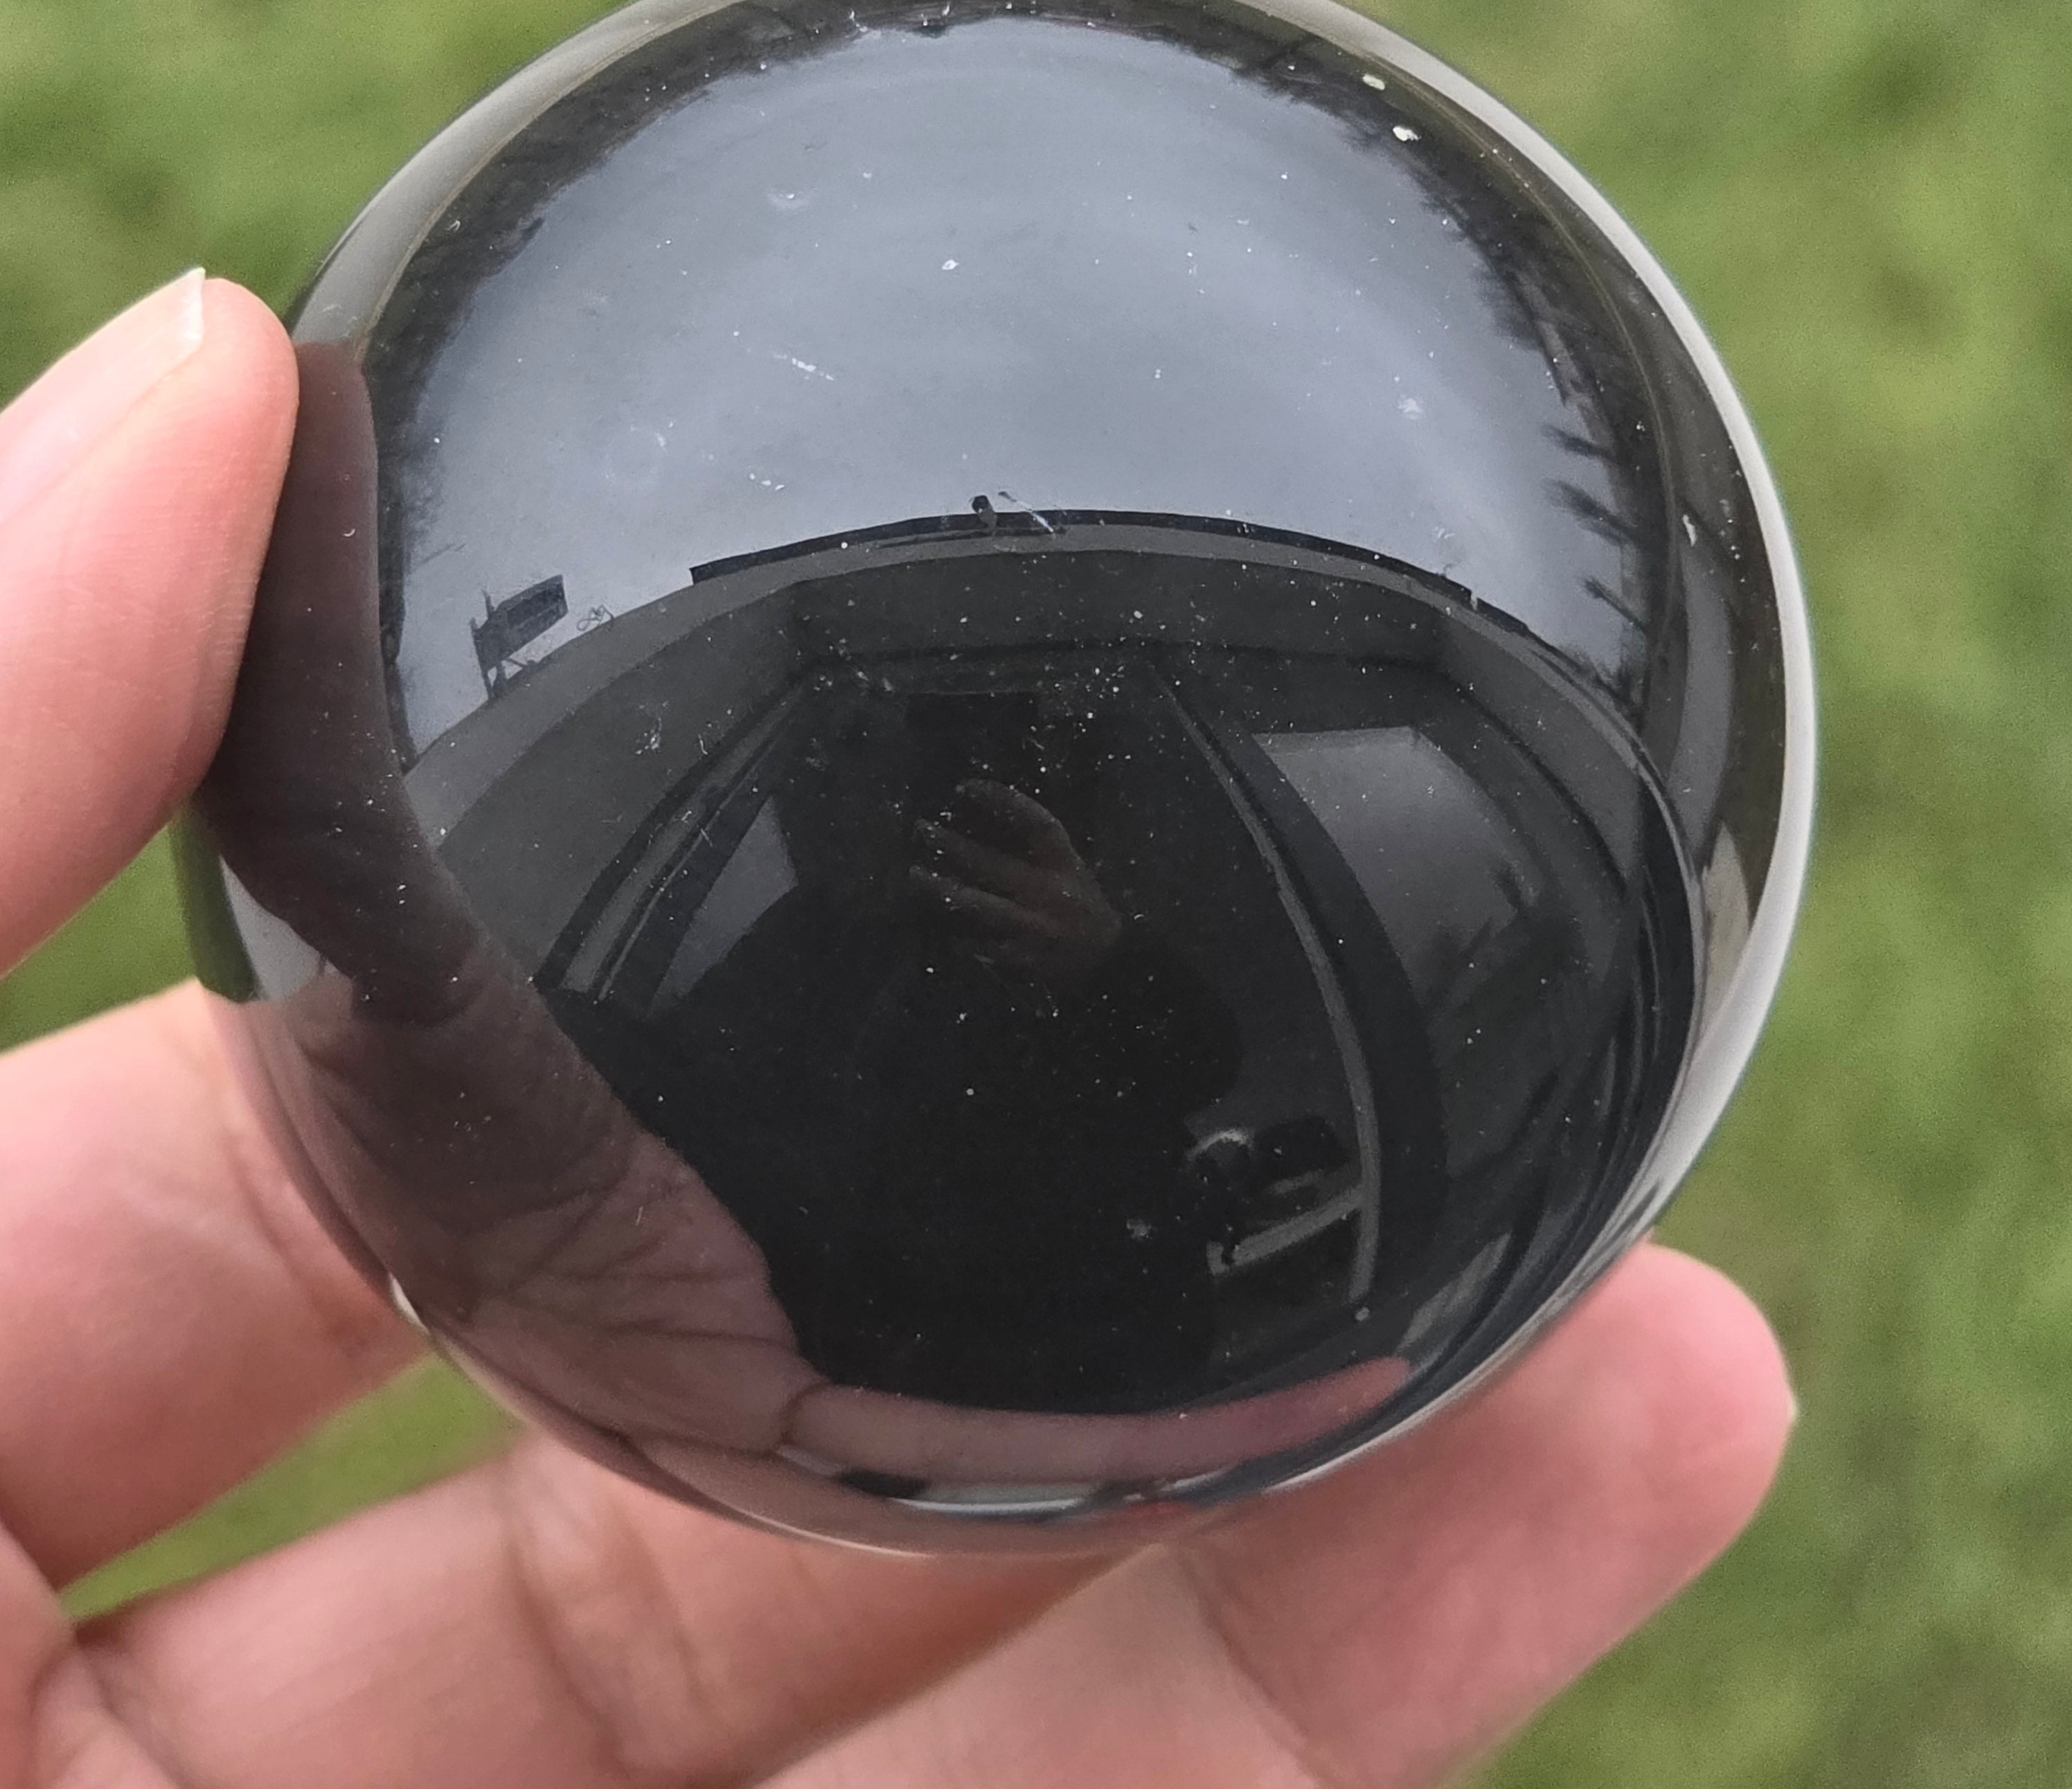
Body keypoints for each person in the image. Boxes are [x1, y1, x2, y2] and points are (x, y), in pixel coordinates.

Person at [0, 271, 1793, 1788]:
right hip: (866, 1334)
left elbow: (1194, 1065)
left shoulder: (1101, 951)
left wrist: (1096, 953)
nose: (931, 821)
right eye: (872, 780)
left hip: (1138, 1303)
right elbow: (627, 1131)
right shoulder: (773, 952)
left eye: (985, 794)